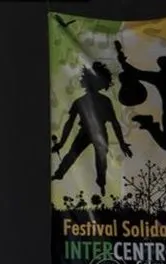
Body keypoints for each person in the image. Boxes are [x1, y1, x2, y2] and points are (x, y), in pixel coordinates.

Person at [51, 61, 132, 195]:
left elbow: (115, 123)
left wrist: (122, 143)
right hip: (86, 132)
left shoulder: (102, 101)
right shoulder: (81, 101)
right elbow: (69, 123)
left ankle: (101, 182)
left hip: (98, 133)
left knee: (100, 158)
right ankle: (60, 173)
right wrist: (61, 143)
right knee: (76, 154)